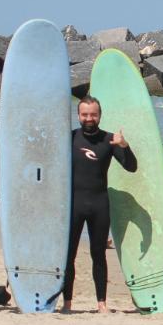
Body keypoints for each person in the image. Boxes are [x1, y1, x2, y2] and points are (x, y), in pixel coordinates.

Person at [63, 95, 137, 313]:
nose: (89, 118)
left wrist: (125, 145)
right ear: (78, 115)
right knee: (69, 255)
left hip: (99, 204)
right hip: (74, 204)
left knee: (99, 254)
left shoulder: (109, 140)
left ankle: (101, 303)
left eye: (93, 114)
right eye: (85, 114)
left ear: (99, 115)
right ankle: (67, 302)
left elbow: (131, 167)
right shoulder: (69, 138)